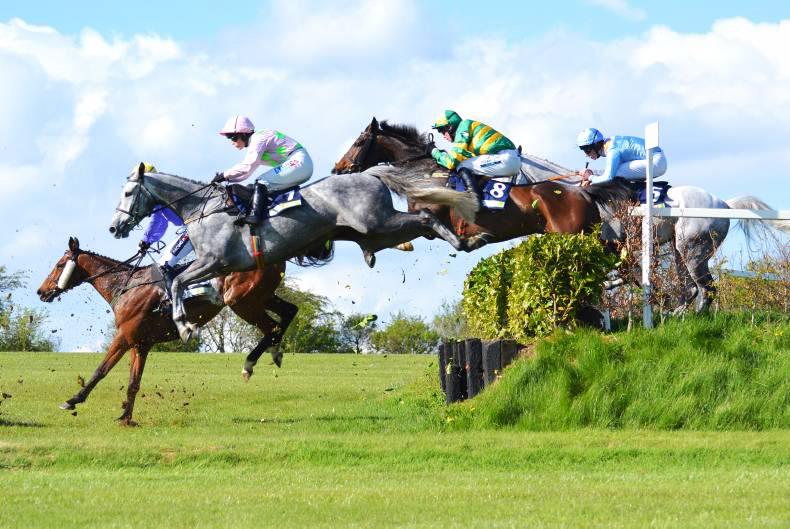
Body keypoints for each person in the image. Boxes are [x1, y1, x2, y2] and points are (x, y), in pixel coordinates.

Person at [212, 115, 313, 226]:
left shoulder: (258, 138)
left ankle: (255, 216)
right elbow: (247, 173)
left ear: (244, 134)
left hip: (299, 162)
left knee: (261, 182)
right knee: (255, 186)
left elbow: (247, 166)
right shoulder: (256, 141)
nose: (232, 142)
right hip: (299, 164)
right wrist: (227, 179)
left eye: (233, 138)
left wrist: (224, 175)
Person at [430, 110, 520, 205]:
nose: (444, 136)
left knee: (461, 165)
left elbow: (452, 162)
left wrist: (434, 152)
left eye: (442, 131)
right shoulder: (469, 129)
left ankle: (475, 202)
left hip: (506, 159)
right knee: (468, 165)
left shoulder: (463, 126)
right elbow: (467, 158)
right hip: (508, 158)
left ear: (450, 127)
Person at [135, 164, 192, 288]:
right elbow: (161, 222)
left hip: (194, 228)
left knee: (164, 264)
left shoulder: (157, 196)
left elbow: (157, 221)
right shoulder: (168, 186)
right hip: (194, 225)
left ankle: (184, 294)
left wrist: (146, 241)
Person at [576, 128, 667, 187]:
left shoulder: (612, 150)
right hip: (654, 159)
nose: (586, 154)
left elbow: (608, 178)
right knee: (616, 170)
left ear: (595, 145)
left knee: (616, 173)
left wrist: (590, 177)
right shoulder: (609, 143)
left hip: (656, 161)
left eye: (586, 150)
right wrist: (593, 174)